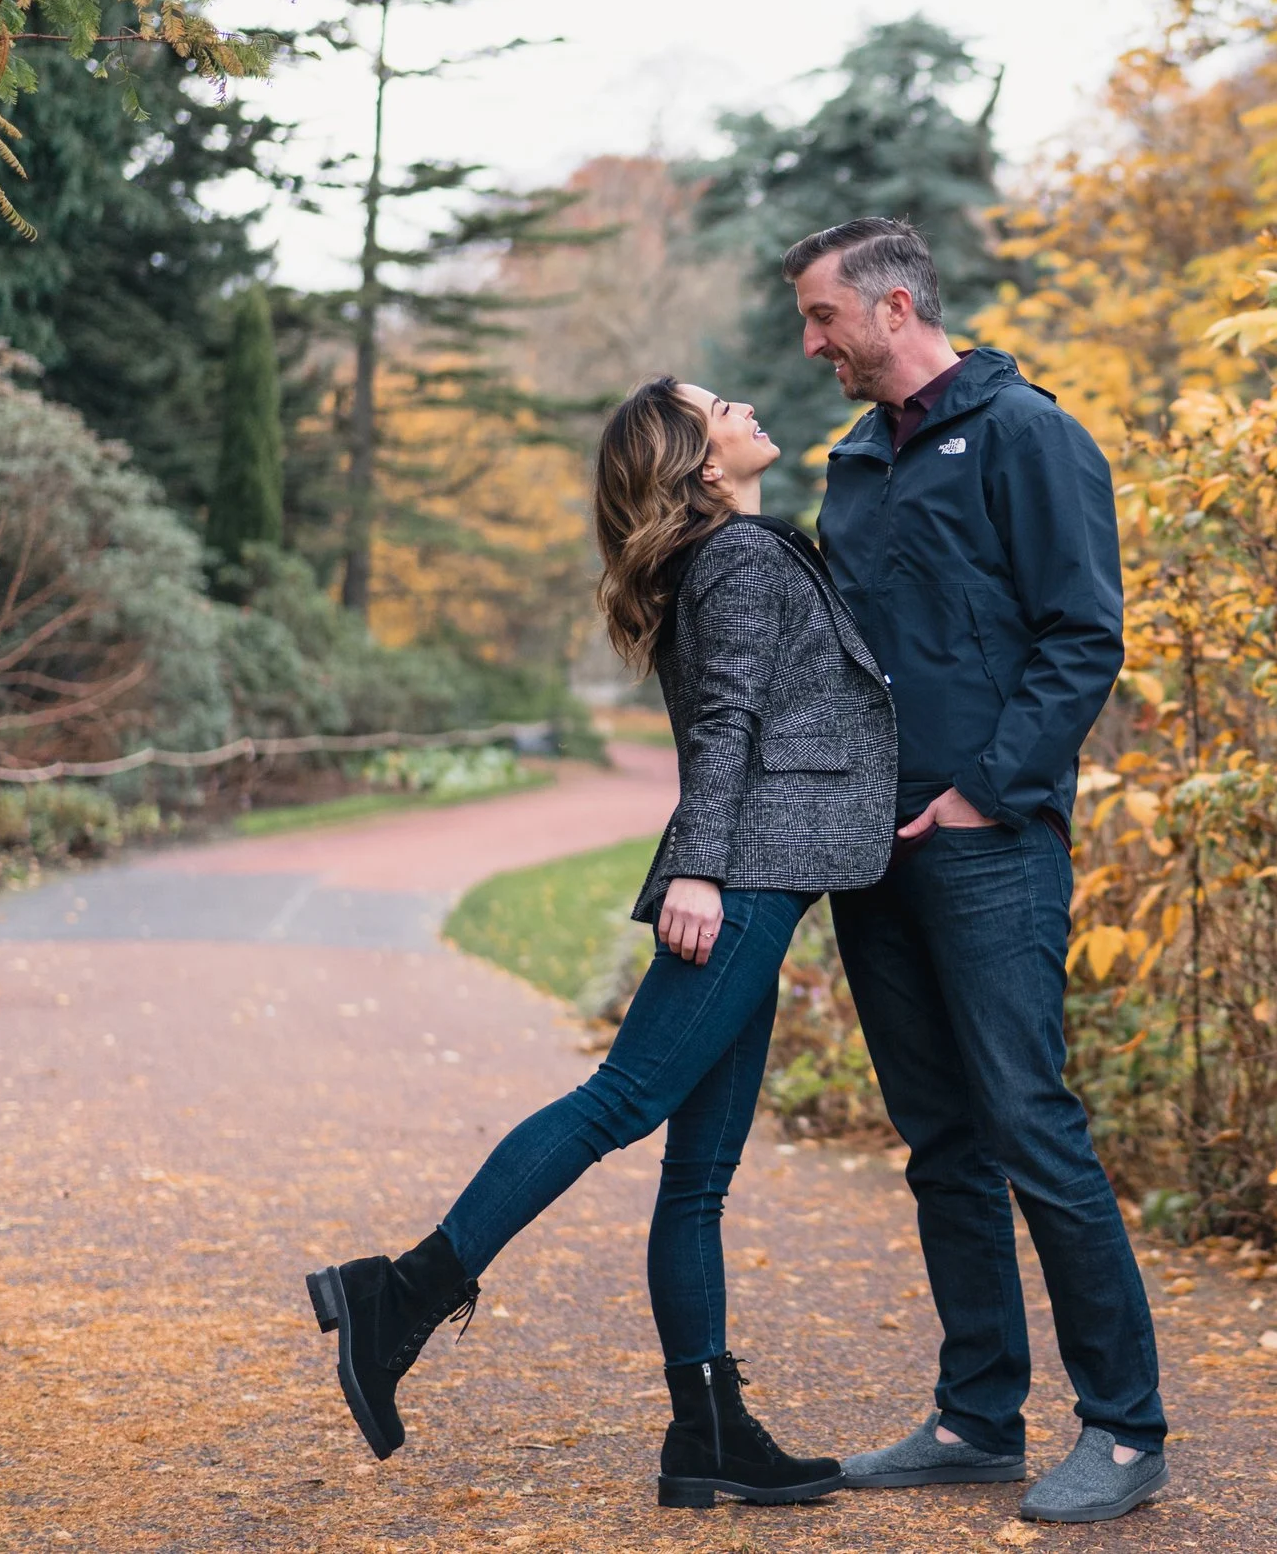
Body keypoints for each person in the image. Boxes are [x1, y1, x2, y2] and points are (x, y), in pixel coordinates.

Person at [303, 377, 897, 1511]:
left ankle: (707, 1429)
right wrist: (704, 867)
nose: (750, 404)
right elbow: (725, 723)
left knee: (699, 1174)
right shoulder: (734, 558)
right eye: (723, 404)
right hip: (748, 874)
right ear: (694, 456)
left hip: (766, 870)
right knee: (622, 1099)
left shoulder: (729, 553)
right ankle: (403, 1292)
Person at [787, 217, 1167, 1525]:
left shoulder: (1027, 434)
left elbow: (1084, 636)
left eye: (824, 316)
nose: (811, 341)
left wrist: (977, 794)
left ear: (896, 306)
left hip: (986, 843)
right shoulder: (852, 461)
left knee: (1028, 1121)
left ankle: (1122, 1426)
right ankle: (975, 1415)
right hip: (866, 853)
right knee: (941, 1139)